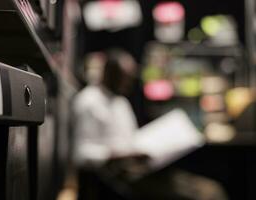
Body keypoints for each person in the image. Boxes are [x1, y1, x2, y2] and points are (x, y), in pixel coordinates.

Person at [72, 49, 228, 200]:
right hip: (116, 178)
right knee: (205, 196)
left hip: (141, 169)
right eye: (123, 78)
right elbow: (81, 154)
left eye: (130, 79)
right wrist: (120, 155)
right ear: (109, 73)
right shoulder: (88, 101)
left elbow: (132, 139)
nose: (127, 85)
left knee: (212, 189)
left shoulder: (121, 102)